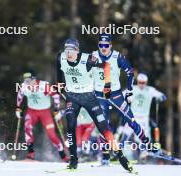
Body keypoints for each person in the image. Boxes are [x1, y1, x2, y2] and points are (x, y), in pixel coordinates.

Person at [56, 38, 133, 172]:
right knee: (70, 125)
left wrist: (107, 85)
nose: (68, 53)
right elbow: (59, 75)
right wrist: (60, 86)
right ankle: (73, 161)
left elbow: (107, 66)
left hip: (88, 97)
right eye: (66, 50)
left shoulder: (88, 59)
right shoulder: (60, 58)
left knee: (104, 128)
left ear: (77, 51)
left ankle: (121, 157)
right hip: (72, 97)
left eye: (72, 50)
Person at [92, 34, 153, 164]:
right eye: (101, 45)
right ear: (98, 45)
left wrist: (130, 90)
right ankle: (105, 156)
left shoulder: (117, 56)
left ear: (110, 45)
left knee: (130, 119)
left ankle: (146, 143)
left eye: (106, 45)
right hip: (99, 95)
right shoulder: (93, 56)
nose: (103, 48)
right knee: (103, 125)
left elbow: (130, 72)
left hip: (115, 94)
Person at [16, 71, 69, 162]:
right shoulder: (24, 86)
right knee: (27, 128)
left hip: (45, 113)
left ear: (34, 79)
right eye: (25, 80)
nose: (27, 82)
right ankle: (30, 155)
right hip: (31, 111)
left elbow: (56, 96)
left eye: (29, 80)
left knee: (51, 134)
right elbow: (20, 96)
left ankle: (64, 157)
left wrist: (56, 110)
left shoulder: (43, 86)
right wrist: (18, 108)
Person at [119, 73, 166, 159]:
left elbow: (161, 95)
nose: (141, 84)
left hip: (144, 117)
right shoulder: (132, 89)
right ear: (137, 81)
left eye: (143, 82)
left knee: (144, 136)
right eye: (140, 82)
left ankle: (143, 153)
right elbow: (121, 95)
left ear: (146, 82)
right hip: (132, 116)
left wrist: (161, 97)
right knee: (126, 133)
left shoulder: (150, 90)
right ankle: (118, 152)